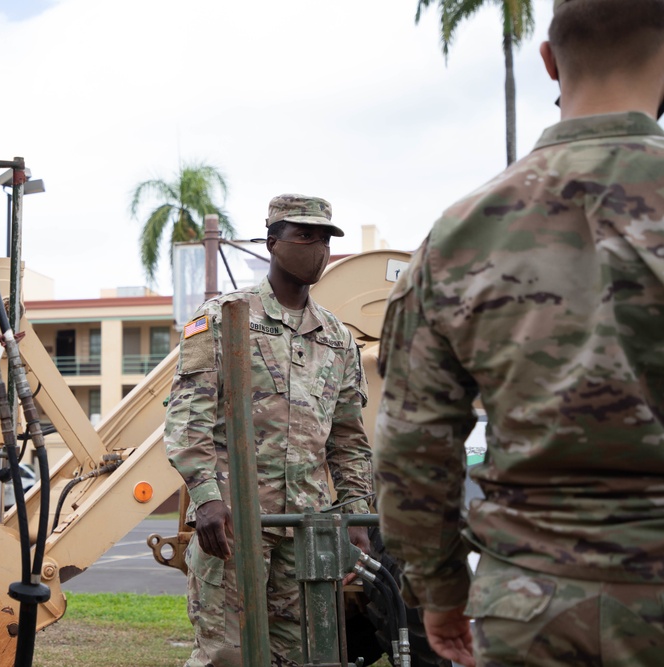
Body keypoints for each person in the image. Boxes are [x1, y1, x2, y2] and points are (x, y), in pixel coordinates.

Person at [374, 1, 664, 665]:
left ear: (550, 61)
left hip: (530, 610)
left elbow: (411, 444)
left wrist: (441, 589)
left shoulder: (461, 233)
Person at [165, 194, 373, 667]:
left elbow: (347, 439)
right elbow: (187, 416)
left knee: (303, 654)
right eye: (304, 236)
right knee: (228, 656)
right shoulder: (223, 318)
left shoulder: (338, 338)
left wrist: (356, 515)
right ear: (273, 242)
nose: (316, 248)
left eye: (324, 239)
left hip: (308, 526)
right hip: (237, 523)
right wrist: (206, 497)